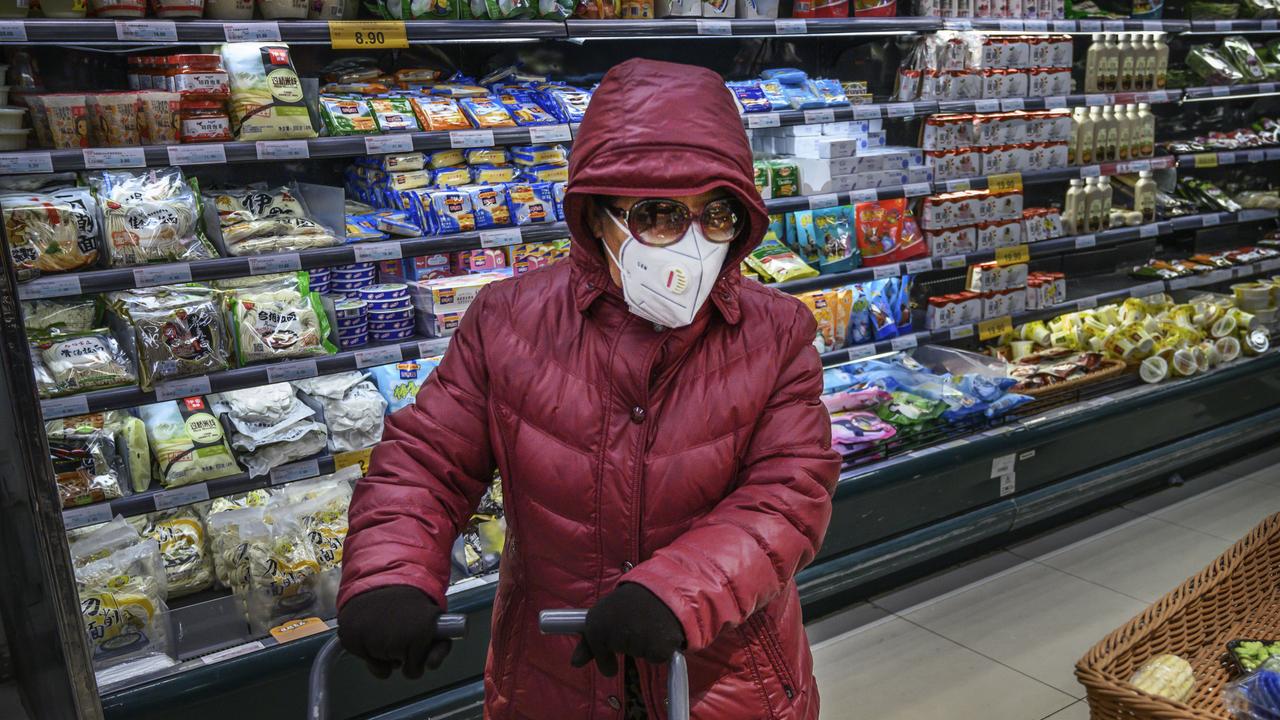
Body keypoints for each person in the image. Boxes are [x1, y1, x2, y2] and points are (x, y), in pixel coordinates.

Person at [336, 57, 841, 719]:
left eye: (714, 214)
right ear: (596, 214)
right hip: (552, 682)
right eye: (658, 216)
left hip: (726, 677)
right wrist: (391, 572)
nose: (691, 245)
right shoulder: (507, 321)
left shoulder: (776, 334)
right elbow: (427, 461)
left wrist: (677, 590)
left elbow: (789, 493)